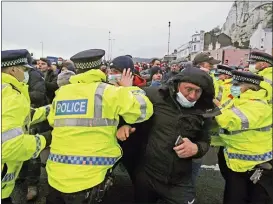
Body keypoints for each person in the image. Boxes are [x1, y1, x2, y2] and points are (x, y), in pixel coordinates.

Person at [45, 49, 153, 204]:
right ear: (100, 68)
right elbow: (143, 111)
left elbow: (52, 120)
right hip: (90, 177)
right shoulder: (109, 92)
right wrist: (128, 88)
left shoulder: (62, 92)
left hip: (56, 174)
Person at [117, 67, 215, 204]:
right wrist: (124, 125)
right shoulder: (155, 95)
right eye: (189, 89)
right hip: (147, 175)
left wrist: (196, 148)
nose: (192, 96)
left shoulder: (205, 109)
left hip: (179, 181)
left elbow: (205, 141)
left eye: (198, 91)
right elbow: (132, 110)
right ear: (177, 84)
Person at [1, 49, 52, 204]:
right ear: (13, 69)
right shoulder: (11, 96)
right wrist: (46, 139)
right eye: (24, 69)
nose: (26, 74)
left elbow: (24, 116)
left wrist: (52, 108)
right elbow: (9, 145)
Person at [215, 70, 273, 204]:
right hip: (238, 163)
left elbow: (230, 120)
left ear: (250, 87)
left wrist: (217, 110)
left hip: (255, 166)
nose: (233, 87)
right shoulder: (239, 99)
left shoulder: (258, 105)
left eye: (237, 84)